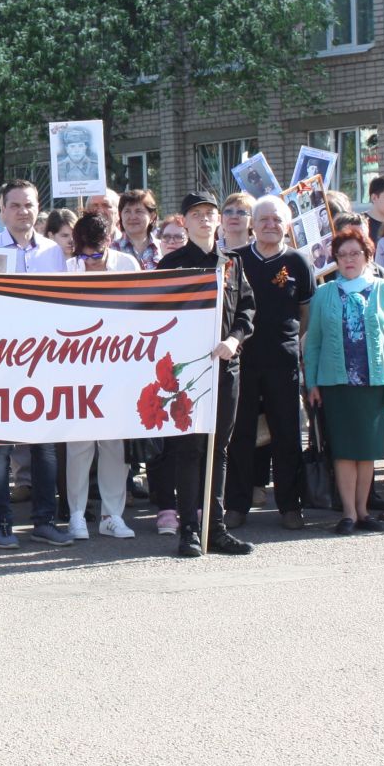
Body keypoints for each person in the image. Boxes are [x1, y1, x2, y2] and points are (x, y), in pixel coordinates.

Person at [156, 191, 255, 556]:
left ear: (217, 220)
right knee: (189, 447)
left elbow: (246, 309)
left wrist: (234, 338)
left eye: (209, 213)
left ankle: (216, 527)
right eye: (196, 214)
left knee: (219, 447)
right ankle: (189, 530)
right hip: (187, 373)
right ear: (185, 221)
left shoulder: (232, 262)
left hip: (226, 365)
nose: (204, 219)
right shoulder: (172, 264)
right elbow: (156, 317)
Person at [303, 226, 384, 534]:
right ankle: (348, 513)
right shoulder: (323, 294)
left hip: (374, 383)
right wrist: (312, 383)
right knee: (343, 450)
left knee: (366, 450)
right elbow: (313, 345)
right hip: (335, 385)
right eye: (342, 255)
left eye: (355, 253)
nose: (348, 260)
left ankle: (364, 511)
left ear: (368, 255)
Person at [0, 179, 69, 550]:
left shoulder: (53, 252)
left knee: (44, 446)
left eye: (29, 205)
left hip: (43, 360)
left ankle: (45, 520)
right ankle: (0, 523)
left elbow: (63, 304)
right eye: (15, 205)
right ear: (1, 211)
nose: (23, 211)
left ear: (38, 207)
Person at [227, 194, 316, 531]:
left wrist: (293, 343)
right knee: (240, 435)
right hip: (243, 361)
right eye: (263, 218)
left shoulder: (298, 262)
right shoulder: (234, 260)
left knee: (288, 434)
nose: (270, 224)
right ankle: (236, 505)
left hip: (284, 362)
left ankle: (291, 506)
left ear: (287, 224)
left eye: (277, 219)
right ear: (252, 222)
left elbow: (305, 313)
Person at [63, 212, 140, 542]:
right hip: (78, 366)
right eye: (85, 255)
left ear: (110, 241)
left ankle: (112, 515)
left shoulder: (128, 265)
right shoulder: (69, 268)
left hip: (118, 367)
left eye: (98, 255)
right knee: (79, 445)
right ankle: (77, 514)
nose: (91, 262)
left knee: (114, 446)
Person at [115, 189, 160, 268]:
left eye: (139, 211)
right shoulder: (111, 250)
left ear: (152, 216)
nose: (132, 217)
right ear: (120, 215)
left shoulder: (162, 249)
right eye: (127, 211)